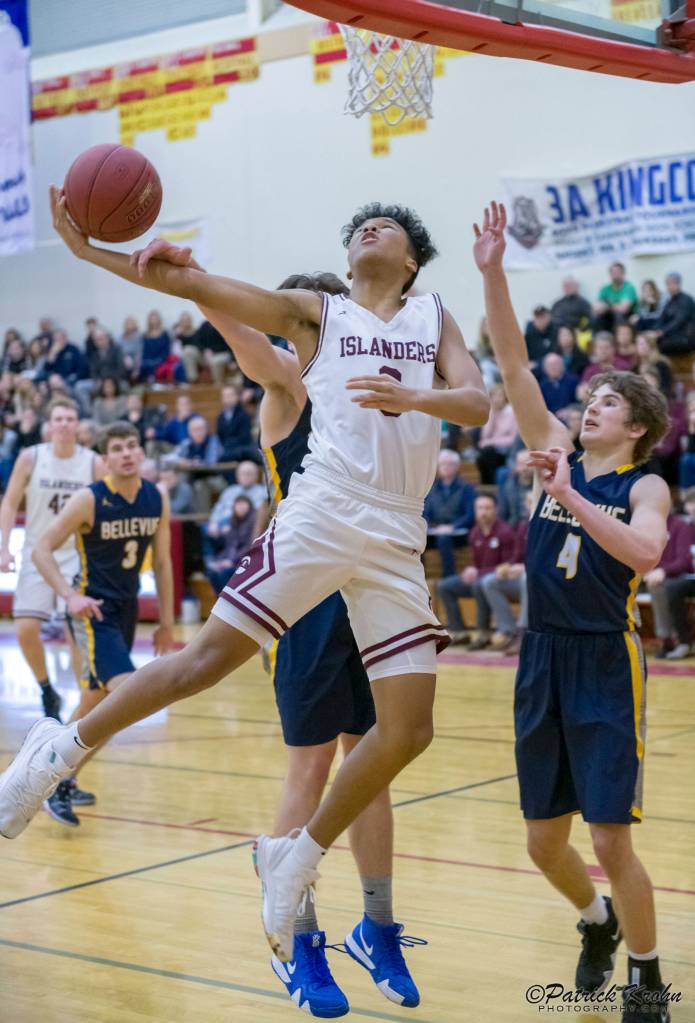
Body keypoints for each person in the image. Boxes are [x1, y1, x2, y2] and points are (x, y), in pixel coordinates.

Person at [0, 193, 489, 983]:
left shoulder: (433, 317)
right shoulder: (314, 314)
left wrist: (417, 397)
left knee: (408, 730)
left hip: (398, 529)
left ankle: (295, 856)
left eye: (388, 226)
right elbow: (197, 290)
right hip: (324, 511)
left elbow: (475, 402)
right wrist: (88, 254)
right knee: (203, 663)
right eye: (360, 222)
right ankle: (52, 756)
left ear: (410, 259)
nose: (371, 226)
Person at [184, 265, 424, 1013]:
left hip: (371, 590)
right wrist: (195, 284)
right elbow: (259, 352)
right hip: (304, 606)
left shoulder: (364, 391)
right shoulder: (288, 385)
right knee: (309, 768)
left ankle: (376, 924)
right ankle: (297, 942)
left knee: (373, 765)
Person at [474, 202, 672, 1021]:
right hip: (540, 654)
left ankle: (649, 976)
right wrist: (490, 270)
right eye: (588, 401)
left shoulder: (642, 486)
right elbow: (516, 368)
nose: (590, 409)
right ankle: (595, 924)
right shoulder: (552, 448)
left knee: (608, 839)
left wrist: (565, 495)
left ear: (637, 428)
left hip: (603, 658)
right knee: (541, 842)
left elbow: (645, 553)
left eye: (607, 405)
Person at [31, 421, 175, 826]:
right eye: (117, 448)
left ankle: (57, 777)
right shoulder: (88, 500)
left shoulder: (156, 497)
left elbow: (162, 563)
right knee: (126, 693)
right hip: (94, 611)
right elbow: (41, 549)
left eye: (132, 445)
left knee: (96, 705)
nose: (127, 453)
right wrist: (70, 595)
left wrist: (165, 622)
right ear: (105, 459)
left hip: (128, 609)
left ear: (141, 453)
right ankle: (51, 776)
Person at [0, 398, 103, 723]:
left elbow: (104, 510)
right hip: (37, 552)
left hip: (77, 556)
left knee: (76, 632)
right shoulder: (31, 457)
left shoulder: (93, 463)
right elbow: (9, 503)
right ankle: (47, 688)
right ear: (49, 425)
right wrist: (3, 547)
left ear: (78, 425)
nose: (63, 424)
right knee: (26, 628)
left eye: (70, 418)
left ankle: (84, 704)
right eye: (58, 418)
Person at [436, 493, 515, 648]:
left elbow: (507, 566)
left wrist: (478, 573)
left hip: (499, 581)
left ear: (496, 510)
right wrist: (472, 571)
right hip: (480, 577)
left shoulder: (505, 532)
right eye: (479, 508)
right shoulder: (474, 533)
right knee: (445, 586)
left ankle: (483, 633)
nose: (483, 512)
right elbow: (478, 565)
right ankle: (460, 632)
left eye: (487, 508)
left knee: (479, 584)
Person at [479, 490, 532, 654]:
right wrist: (509, 568)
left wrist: (525, 567)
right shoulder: (523, 526)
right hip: (522, 577)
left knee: (526, 578)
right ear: (526, 505)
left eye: (536, 500)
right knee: (489, 581)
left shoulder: (552, 525)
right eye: (530, 502)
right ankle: (507, 630)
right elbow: (516, 556)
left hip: (541, 579)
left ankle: (524, 632)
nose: (533, 505)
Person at [643, 497, 695, 658]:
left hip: (677, 576)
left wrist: (662, 571)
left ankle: (669, 639)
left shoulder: (680, 525)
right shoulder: (648, 526)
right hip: (652, 574)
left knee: (660, 585)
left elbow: (684, 561)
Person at [424, 448, 476, 577]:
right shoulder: (432, 488)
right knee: (417, 538)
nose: (445, 467)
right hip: (435, 530)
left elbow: (470, 516)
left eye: (449, 464)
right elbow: (426, 513)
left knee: (444, 539)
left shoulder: (467, 488)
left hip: (458, 532)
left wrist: (452, 527)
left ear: (457, 467)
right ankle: (419, 578)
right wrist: (428, 526)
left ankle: (449, 577)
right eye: (442, 464)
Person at [204, 494, 256, 594]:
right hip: (231, 559)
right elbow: (230, 546)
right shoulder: (233, 521)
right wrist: (220, 561)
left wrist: (231, 561)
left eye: (243, 504)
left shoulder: (253, 522)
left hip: (244, 561)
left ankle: (228, 601)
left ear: (249, 506)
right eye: (238, 505)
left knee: (224, 574)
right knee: (212, 573)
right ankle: (220, 600)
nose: (240, 508)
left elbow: (248, 546)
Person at [476, 383, 518, 484]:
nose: (496, 399)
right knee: (482, 457)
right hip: (492, 450)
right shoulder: (491, 413)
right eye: (493, 396)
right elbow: (484, 436)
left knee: (487, 452)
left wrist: (492, 442)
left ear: (506, 397)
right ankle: (486, 486)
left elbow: (513, 439)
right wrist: (492, 415)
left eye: (499, 396)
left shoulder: (513, 413)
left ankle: (492, 485)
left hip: (507, 451)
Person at [653, 272, 695, 355]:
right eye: (667, 284)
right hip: (673, 335)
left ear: (678, 284)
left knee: (660, 344)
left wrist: (663, 331)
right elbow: (662, 318)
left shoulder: (686, 300)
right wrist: (655, 330)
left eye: (670, 283)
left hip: (685, 338)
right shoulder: (671, 301)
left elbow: (679, 320)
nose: (668, 287)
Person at [182, 317, 233, 384]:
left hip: (222, 354)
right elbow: (196, 341)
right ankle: (193, 380)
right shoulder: (204, 325)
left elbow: (231, 345)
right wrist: (204, 350)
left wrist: (233, 361)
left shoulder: (225, 326)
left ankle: (217, 385)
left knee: (216, 361)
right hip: (206, 355)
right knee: (188, 350)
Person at [593, 262, 637, 332]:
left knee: (618, 315)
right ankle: (600, 340)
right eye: (613, 272)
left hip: (626, 317)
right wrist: (615, 306)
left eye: (618, 272)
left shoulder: (629, 287)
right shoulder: (605, 289)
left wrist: (608, 305)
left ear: (623, 273)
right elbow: (596, 308)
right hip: (608, 317)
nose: (615, 274)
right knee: (596, 318)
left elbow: (624, 309)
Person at [216, 384, 255, 461]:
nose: (228, 398)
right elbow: (220, 436)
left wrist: (230, 444)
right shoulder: (220, 417)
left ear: (237, 397)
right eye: (226, 396)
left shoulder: (244, 415)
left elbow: (245, 438)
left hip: (241, 451)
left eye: (231, 395)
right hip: (226, 451)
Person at [523, 305, 556, 371]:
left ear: (549, 317)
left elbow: (556, 354)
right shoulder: (529, 334)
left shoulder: (555, 331)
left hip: (549, 367)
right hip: (531, 366)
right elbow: (524, 351)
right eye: (537, 317)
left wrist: (538, 363)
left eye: (542, 317)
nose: (540, 320)